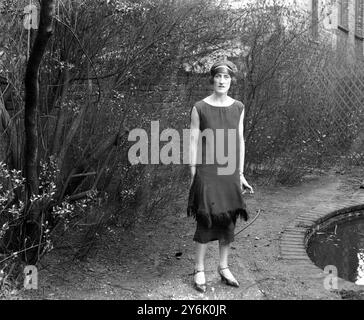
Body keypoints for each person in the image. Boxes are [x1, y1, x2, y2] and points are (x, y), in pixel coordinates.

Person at [187, 59, 254, 293]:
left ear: (231, 81)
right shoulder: (199, 107)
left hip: (229, 172)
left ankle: (224, 267)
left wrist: (240, 174)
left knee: (228, 219)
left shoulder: (239, 107)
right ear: (212, 79)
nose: (222, 81)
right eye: (218, 77)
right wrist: (193, 173)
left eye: (226, 77)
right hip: (206, 171)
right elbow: (193, 141)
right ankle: (199, 269)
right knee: (205, 219)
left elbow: (240, 140)